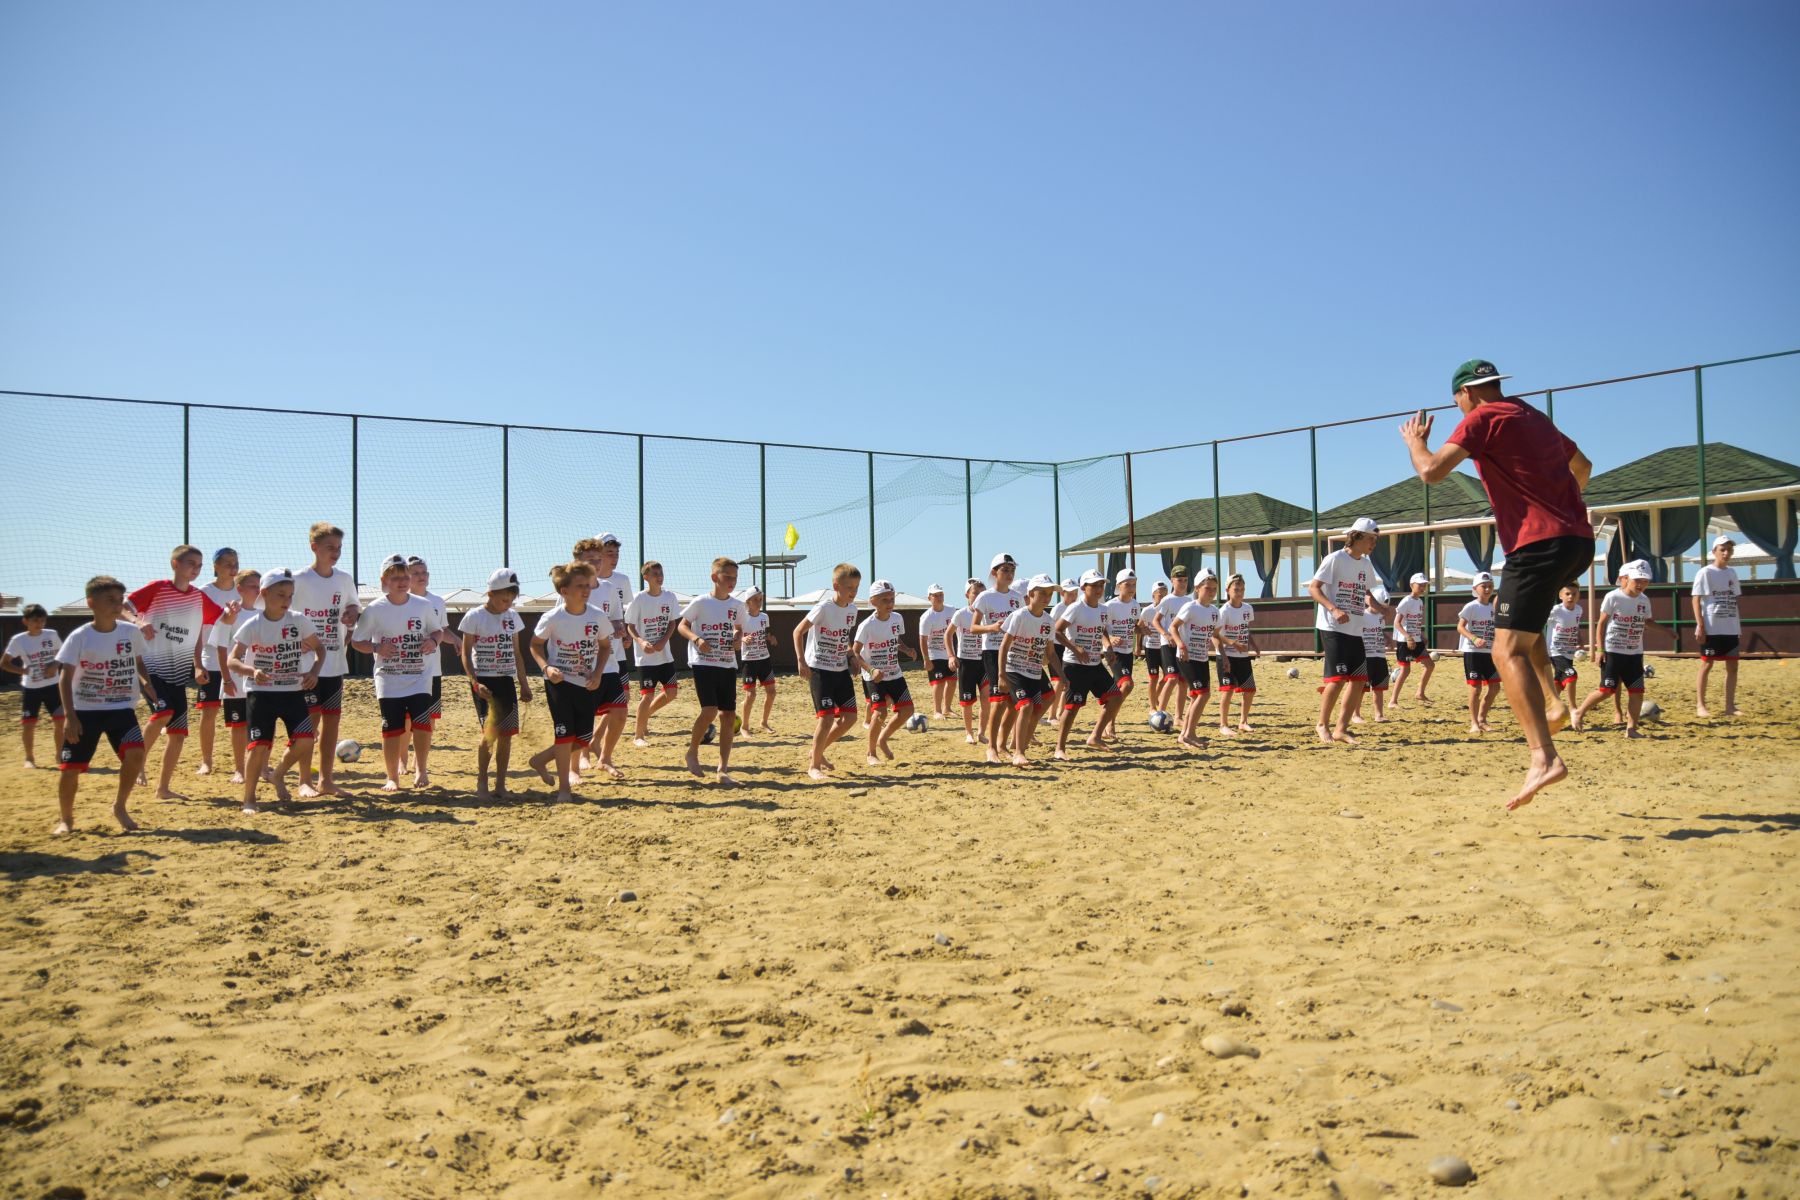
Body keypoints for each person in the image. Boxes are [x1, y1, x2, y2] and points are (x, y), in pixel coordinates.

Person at [1402, 359, 1594, 810]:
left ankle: (1543, 757)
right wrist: (1557, 502)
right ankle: (1552, 702)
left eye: (1456, 404)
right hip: (1576, 541)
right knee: (1522, 639)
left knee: (1502, 650)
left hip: (1537, 545)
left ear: (1466, 394)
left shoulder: (1482, 418)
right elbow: (1582, 465)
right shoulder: (1532, 415)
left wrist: (1416, 443)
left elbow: (1431, 472)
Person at [54, 575, 159, 834]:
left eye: (120, 600)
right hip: (85, 712)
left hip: (121, 709)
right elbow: (64, 677)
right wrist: (70, 715)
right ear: (91, 602)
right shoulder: (80, 637)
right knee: (70, 770)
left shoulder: (130, 632)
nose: (116, 604)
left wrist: (146, 682)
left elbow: (138, 663)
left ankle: (119, 806)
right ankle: (66, 820)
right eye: (109, 600)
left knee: (136, 754)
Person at [126, 545, 223, 799]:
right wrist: (138, 620)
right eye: (191, 563)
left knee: (178, 732)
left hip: (179, 673)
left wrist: (199, 664)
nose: (196, 569)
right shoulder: (158, 588)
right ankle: (137, 764)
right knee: (163, 712)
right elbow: (122, 607)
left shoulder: (198, 597)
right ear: (175, 564)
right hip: (151, 668)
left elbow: (204, 630)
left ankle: (163, 789)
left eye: (200, 565)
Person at [227, 568, 323, 813]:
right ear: (265, 593)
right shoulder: (253, 624)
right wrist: (252, 671)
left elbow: (321, 650)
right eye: (281, 595)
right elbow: (232, 660)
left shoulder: (299, 620)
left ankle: (278, 774)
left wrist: (313, 672)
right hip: (261, 694)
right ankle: (249, 799)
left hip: (292, 691)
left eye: (290, 596)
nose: (286, 601)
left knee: (304, 740)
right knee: (258, 747)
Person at [349, 555, 447, 792]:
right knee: (392, 729)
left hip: (419, 676)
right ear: (384, 580)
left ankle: (421, 769)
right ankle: (392, 776)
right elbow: (356, 641)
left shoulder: (422, 605)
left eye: (405, 577)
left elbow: (438, 631)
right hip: (388, 678)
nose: (402, 582)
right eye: (395, 578)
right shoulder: (374, 609)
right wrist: (376, 648)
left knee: (422, 724)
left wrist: (433, 642)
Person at [279, 522, 360, 797]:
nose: (335, 552)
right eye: (330, 547)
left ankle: (326, 780)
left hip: (334, 663)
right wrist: (294, 640)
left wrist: (351, 613)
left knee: (331, 725)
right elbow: (282, 612)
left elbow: (353, 604)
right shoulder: (299, 579)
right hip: (305, 665)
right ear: (314, 547)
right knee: (308, 726)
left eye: (338, 547)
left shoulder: (344, 579)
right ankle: (304, 780)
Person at [527, 561, 608, 801]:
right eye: (580, 586)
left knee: (582, 738)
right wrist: (546, 667)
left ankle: (541, 760)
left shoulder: (597, 616)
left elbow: (605, 646)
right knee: (563, 736)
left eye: (588, 585)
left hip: (587, 683)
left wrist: (598, 673)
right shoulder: (553, 617)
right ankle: (564, 788)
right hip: (559, 683)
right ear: (565, 591)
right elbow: (535, 644)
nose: (586, 590)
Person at [1308, 519, 1392, 745]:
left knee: (1359, 680)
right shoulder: (1334, 559)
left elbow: (1364, 592)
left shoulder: (1365, 564)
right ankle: (1321, 725)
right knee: (1337, 680)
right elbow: (1313, 588)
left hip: (1356, 628)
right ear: (1357, 537)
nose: (1373, 543)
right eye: (1371, 539)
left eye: (1375, 540)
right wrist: (1333, 609)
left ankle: (1341, 729)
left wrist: (1378, 606)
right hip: (1333, 626)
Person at [458, 568, 533, 799]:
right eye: (503, 600)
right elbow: (465, 653)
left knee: (507, 734)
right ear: (490, 593)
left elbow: (517, 653)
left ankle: (500, 785)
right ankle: (482, 782)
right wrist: (474, 683)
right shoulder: (474, 616)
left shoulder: (512, 617)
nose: (507, 605)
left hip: (506, 680)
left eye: (511, 600)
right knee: (489, 733)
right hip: (485, 682)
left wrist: (524, 684)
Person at [677, 557, 747, 785]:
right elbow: (682, 625)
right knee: (709, 711)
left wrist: (738, 639)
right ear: (714, 577)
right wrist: (696, 639)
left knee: (727, 716)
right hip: (704, 662)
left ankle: (722, 769)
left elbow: (738, 629)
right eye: (727, 577)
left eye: (735, 578)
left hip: (727, 663)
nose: (732, 582)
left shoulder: (736, 606)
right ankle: (692, 752)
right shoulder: (701, 602)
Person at [793, 562, 865, 780]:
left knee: (850, 717)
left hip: (840, 669)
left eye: (856, 587)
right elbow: (798, 632)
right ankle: (814, 766)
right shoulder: (823, 608)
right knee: (825, 720)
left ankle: (818, 750)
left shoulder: (853, 610)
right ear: (836, 585)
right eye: (849, 587)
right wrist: (801, 661)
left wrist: (851, 657)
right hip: (820, 670)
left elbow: (844, 639)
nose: (853, 592)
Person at [1571, 560, 1657, 736]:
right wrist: (1600, 650)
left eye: (1645, 581)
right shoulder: (1613, 597)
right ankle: (1579, 712)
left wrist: (1667, 632)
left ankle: (1631, 729)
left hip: (1634, 653)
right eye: (1637, 580)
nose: (1641, 584)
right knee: (1606, 690)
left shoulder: (1644, 600)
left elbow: (1648, 622)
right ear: (1624, 578)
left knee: (1637, 692)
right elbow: (1601, 624)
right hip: (1613, 651)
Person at [574, 533, 634, 777]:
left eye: (599, 559)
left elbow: (617, 618)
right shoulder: (571, 588)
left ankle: (605, 758)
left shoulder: (611, 588)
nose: (597, 564)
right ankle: (577, 762)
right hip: (579, 662)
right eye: (591, 560)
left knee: (620, 711)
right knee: (582, 714)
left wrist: (622, 631)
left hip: (609, 660)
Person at [1052, 569, 1123, 759]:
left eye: (1101, 584)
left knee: (1115, 697)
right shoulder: (1076, 608)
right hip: (1075, 665)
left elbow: (1102, 631)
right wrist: (1076, 648)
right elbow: (1056, 632)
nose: (1099, 588)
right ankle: (1060, 748)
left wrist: (1108, 648)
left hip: (1094, 663)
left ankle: (1095, 736)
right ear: (1084, 587)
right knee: (1072, 707)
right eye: (1094, 585)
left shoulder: (1103, 610)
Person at [969, 554, 1025, 765]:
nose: (1009, 574)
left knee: (1013, 701)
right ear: (994, 573)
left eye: (1012, 570)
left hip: (1014, 650)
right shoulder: (985, 597)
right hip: (992, 650)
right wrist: (991, 627)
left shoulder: (1017, 597)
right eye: (1005, 570)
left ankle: (1001, 744)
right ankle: (991, 748)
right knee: (998, 701)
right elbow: (973, 628)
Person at [207, 568, 261, 784]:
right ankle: (240, 769)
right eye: (252, 586)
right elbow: (221, 649)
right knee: (238, 727)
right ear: (239, 588)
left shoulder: (264, 613)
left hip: (260, 682)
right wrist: (226, 679)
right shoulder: (229, 615)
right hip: (235, 681)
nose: (257, 590)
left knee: (260, 726)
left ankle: (261, 767)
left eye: (259, 586)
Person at [854, 579, 916, 765]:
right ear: (873, 601)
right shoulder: (866, 625)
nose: (889, 603)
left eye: (891, 599)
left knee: (907, 710)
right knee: (880, 713)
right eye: (884, 600)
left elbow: (895, 640)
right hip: (874, 677)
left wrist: (906, 650)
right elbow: (855, 652)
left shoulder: (897, 618)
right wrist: (871, 670)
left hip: (894, 673)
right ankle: (871, 753)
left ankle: (883, 739)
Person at [998, 574, 1058, 767]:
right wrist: (1001, 675)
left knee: (1039, 704)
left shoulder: (1048, 621)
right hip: (1014, 668)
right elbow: (1004, 647)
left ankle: (1017, 743)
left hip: (1034, 670)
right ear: (1031, 594)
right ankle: (1018, 753)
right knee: (1025, 706)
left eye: (1049, 593)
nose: (1047, 597)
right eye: (1042, 593)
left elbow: (1050, 652)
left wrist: (1062, 676)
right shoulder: (1019, 616)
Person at [401, 557, 452, 775]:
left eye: (425, 573)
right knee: (405, 719)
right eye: (417, 573)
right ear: (407, 578)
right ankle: (401, 759)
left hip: (432, 669)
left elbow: (442, 630)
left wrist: (456, 640)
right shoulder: (399, 602)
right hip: (406, 668)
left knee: (429, 718)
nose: (422, 577)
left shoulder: (437, 602)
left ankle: (418, 760)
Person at [195, 548, 241, 776]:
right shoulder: (204, 592)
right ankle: (206, 761)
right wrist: (197, 663)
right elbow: (196, 630)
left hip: (237, 662)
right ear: (215, 566)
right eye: (227, 564)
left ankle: (242, 765)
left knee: (242, 716)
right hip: (211, 659)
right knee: (209, 712)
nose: (233, 568)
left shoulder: (242, 591)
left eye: (235, 563)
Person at [624, 561, 681, 747]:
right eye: (655, 573)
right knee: (647, 696)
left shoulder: (670, 597)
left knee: (671, 692)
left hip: (664, 656)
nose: (659, 576)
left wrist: (664, 640)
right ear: (646, 577)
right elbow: (630, 626)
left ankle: (645, 715)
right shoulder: (639, 599)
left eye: (661, 572)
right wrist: (640, 641)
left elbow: (672, 623)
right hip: (645, 658)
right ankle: (638, 736)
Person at [3, 603, 63, 768]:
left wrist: (55, 665)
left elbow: (63, 653)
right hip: (32, 689)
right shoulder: (19, 640)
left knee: (60, 721)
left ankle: (60, 755)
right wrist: (22, 671)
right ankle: (29, 758)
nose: (39, 623)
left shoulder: (52, 635)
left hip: (53, 686)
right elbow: (4, 663)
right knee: (29, 724)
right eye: (35, 620)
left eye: (42, 620)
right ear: (25, 621)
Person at [1170, 569, 1221, 749]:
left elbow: (1215, 634)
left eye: (1214, 589)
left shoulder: (1215, 611)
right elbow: (1173, 627)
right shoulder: (1190, 606)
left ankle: (1185, 735)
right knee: (1203, 694)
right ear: (1198, 588)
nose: (1212, 592)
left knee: (1196, 697)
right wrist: (1181, 645)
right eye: (1208, 588)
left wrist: (1224, 654)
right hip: (1186, 657)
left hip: (1202, 658)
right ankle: (1190, 733)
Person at [1693, 535, 1743, 718]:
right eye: (1722, 549)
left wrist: (1738, 627)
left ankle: (1729, 706)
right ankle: (1700, 705)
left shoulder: (1732, 573)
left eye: (1729, 549)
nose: (1726, 552)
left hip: (1730, 627)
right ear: (1714, 551)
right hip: (1712, 627)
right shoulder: (1705, 572)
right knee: (1707, 665)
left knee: (1733, 667)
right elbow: (1696, 599)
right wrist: (1700, 625)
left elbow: (1734, 600)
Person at [1098, 568, 1141, 741]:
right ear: (1118, 586)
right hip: (1113, 653)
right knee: (1127, 685)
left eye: (1134, 585)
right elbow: (1099, 628)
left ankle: (1110, 721)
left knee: (1118, 689)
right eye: (1127, 584)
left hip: (1128, 652)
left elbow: (1134, 626)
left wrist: (1141, 629)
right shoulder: (1110, 606)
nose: (1131, 588)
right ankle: (1107, 720)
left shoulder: (1135, 605)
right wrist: (1110, 640)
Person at [1458, 572, 1502, 733]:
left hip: (1489, 652)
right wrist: (1474, 638)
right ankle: (1474, 723)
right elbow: (1460, 627)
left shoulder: (1493, 608)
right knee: (1476, 689)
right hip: (1473, 652)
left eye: (1490, 586)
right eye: (1484, 586)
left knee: (1495, 687)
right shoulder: (1471, 606)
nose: (1487, 589)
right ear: (1475, 588)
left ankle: (1482, 718)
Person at [1215, 574, 1259, 735]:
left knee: (1250, 690)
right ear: (1227, 590)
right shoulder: (1223, 611)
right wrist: (1231, 645)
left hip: (1243, 656)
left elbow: (1245, 629)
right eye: (1236, 589)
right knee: (1228, 690)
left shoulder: (1247, 608)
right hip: (1226, 655)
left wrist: (1253, 644)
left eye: (1242, 589)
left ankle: (1243, 722)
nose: (1239, 592)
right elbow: (1215, 635)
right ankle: (1223, 724)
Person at [947, 579, 985, 745]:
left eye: (981, 593)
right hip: (966, 662)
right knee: (967, 700)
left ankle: (982, 732)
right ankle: (969, 732)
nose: (978, 596)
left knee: (987, 697)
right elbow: (947, 635)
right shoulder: (961, 614)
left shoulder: (987, 613)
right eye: (975, 592)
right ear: (967, 595)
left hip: (984, 661)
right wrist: (951, 656)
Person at [1151, 566, 1192, 721]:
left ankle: (1178, 717)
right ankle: (1159, 713)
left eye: (1185, 580)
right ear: (1172, 580)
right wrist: (1166, 634)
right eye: (1179, 580)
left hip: (1183, 644)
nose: (1182, 583)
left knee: (1183, 682)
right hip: (1168, 644)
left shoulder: (1190, 601)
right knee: (1172, 678)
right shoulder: (1167, 600)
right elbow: (1155, 621)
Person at [737, 586, 778, 735]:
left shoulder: (764, 617)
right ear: (748, 601)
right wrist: (743, 638)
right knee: (750, 695)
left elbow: (766, 633)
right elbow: (735, 634)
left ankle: (764, 722)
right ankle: (744, 727)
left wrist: (770, 638)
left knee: (772, 692)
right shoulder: (742, 617)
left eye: (760, 599)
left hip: (764, 659)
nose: (759, 602)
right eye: (756, 599)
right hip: (749, 660)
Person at [1390, 573, 1434, 706]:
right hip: (1405, 641)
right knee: (1405, 671)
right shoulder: (1406, 601)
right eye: (1419, 584)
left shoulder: (1420, 601)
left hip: (1416, 639)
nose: (1422, 587)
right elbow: (1397, 623)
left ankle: (1420, 693)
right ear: (1411, 585)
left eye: (1424, 585)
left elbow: (1415, 622)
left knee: (1430, 665)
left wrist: (1420, 635)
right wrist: (1408, 637)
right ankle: (1393, 701)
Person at [1352, 585, 1393, 724]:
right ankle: (1356, 714)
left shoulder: (1381, 617)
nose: (1382, 609)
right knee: (1361, 687)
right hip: (1365, 655)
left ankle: (1379, 714)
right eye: (1379, 605)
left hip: (1379, 655)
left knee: (1379, 687)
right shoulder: (1362, 615)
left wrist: (1387, 638)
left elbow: (1380, 630)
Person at [917, 584, 955, 719]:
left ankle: (947, 708)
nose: (939, 598)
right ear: (929, 598)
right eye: (935, 595)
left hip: (949, 652)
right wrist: (926, 659)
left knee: (952, 680)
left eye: (941, 595)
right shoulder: (927, 617)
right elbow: (923, 639)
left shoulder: (951, 611)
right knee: (938, 682)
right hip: (934, 653)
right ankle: (937, 711)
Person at [1544, 584, 1585, 707]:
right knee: (1572, 675)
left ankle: (1548, 707)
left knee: (1559, 681)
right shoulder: (1556, 610)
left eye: (1574, 594)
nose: (1571, 596)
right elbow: (1540, 620)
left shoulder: (1578, 610)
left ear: (1578, 596)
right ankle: (1573, 708)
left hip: (1569, 652)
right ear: (1560, 595)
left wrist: (1580, 641)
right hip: (1555, 651)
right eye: (1567, 594)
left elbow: (1575, 627)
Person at [1141, 580, 1168, 704]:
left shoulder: (1168, 609)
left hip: (1164, 646)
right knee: (1154, 677)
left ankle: (1155, 695)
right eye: (1160, 595)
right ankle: (1152, 706)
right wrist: (1138, 648)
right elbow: (1140, 627)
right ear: (1153, 595)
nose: (1163, 597)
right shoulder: (1147, 610)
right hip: (1151, 647)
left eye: (1165, 594)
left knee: (1169, 677)